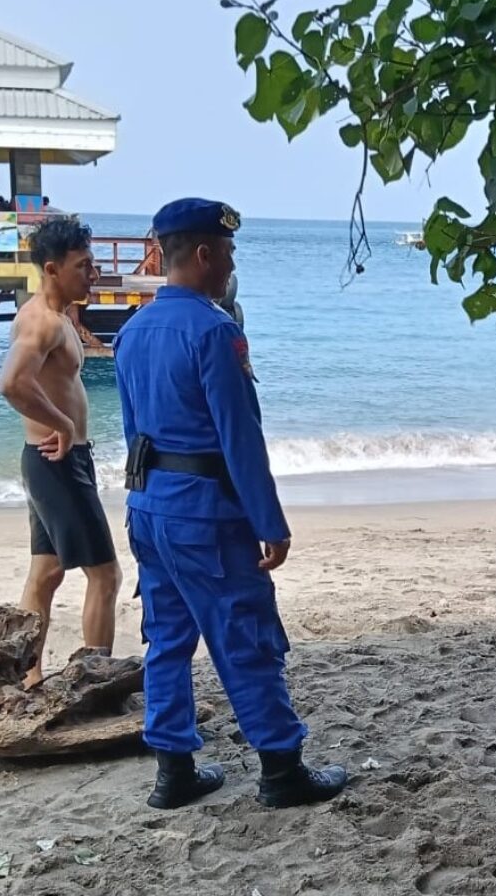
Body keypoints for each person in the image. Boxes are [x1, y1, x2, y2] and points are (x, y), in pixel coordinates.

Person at [113, 197, 347, 810]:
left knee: (166, 639)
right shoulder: (216, 330)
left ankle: (174, 771)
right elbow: (240, 438)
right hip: (206, 515)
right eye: (229, 253)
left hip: (150, 509)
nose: (230, 265)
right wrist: (270, 523)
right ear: (204, 253)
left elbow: (132, 432)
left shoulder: (132, 330)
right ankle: (281, 770)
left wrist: (143, 503)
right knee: (246, 637)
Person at [0, 218, 122, 688]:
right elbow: (10, 383)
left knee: (47, 572)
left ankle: (27, 680)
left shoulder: (64, 315)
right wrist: (64, 424)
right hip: (57, 460)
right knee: (106, 576)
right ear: (52, 269)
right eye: (83, 266)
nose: (93, 274)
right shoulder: (40, 322)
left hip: (53, 459)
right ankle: (98, 682)